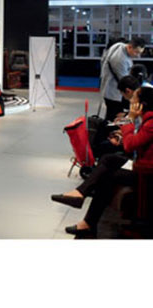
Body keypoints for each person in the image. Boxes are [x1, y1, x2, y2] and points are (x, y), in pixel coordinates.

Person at [51, 87, 153, 238]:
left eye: (134, 99)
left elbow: (130, 145)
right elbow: (130, 135)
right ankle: (81, 195)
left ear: (141, 105)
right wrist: (123, 128)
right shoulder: (146, 119)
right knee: (107, 158)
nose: (131, 101)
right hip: (140, 164)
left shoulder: (150, 123)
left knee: (107, 177)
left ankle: (87, 220)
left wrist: (129, 120)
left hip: (146, 173)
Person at [100, 37, 145, 121]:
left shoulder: (119, 45)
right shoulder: (120, 60)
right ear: (130, 47)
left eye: (140, 53)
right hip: (114, 93)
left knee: (111, 116)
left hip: (110, 88)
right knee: (114, 118)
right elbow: (126, 81)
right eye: (136, 52)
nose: (138, 55)